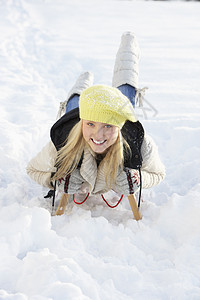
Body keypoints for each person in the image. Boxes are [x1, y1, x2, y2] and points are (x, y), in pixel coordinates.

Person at [26, 32, 165, 208]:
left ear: (119, 127)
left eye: (107, 125)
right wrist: (55, 180)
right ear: (83, 123)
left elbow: (158, 174)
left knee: (125, 95)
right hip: (77, 115)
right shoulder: (63, 140)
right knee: (75, 104)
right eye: (90, 124)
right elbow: (32, 170)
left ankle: (129, 50)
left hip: (115, 115)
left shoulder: (138, 141)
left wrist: (138, 179)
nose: (98, 134)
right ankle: (82, 84)